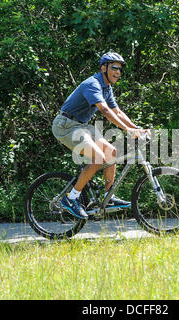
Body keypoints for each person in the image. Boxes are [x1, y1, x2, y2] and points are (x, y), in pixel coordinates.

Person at [52, 52, 149, 220]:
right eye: (114, 68)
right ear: (103, 68)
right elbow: (105, 110)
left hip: (81, 125)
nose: (118, 72)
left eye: (119, 69)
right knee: (98, 157)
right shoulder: (93, 84)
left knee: (111, 152)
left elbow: (116, 111)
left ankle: (108, 197)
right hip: (65, 125)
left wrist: (137, 128)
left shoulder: (107, 88)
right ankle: (71, 198)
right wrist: (127, 130)